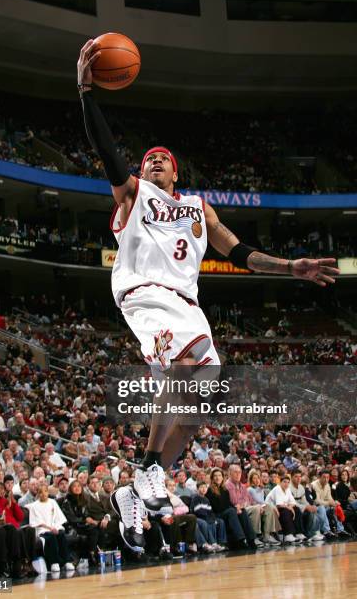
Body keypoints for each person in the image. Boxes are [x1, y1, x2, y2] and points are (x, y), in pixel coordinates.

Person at [76, 39, 340, 551]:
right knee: (190, 358)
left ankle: (135, 491)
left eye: (162, 160)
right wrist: (88, 94)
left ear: (176, 172)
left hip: (187, 302)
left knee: (206, 395)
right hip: (143, 291)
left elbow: (241, 254)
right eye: (147, 159)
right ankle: (151, 468)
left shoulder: (200, 209)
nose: (153, 163)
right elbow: (106, 150)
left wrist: (292, 267)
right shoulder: (133, 194)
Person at [28, 484, 74, 573]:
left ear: (48, 492)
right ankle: (54, 562)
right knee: (50, 537)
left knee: (61, 535)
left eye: (45, 491)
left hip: (54, 527)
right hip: (43, 530)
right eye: (40, 492)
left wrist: (55, 527)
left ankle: (67, 561)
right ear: (38, 494)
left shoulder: (52, 502)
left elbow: (58, 517)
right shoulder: (34, 506)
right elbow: (35, 522)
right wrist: (49, 528)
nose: (43, 494)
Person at [206, 468, 253, 548]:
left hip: (225, 512)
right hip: (216, 514)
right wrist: (233, 509)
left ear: (222, 477)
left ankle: (251, 539)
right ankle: (240, 539)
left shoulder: (224, 489)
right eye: (215, 476)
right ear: (212, 478)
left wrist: (237, 508)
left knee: (242, 511)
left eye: (219, 475)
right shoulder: (210, 490)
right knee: (231, 511)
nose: (217, 478)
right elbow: (217, 508)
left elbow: (228, 503)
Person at [265, 475, 304, 543]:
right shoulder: (277, 489)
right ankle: (288, 535)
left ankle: (298, 533)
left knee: (297, 509)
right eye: (284, 482)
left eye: (288, 482)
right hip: (271, 508)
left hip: (282, 507)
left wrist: (291, 507)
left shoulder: (288, 489)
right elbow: (279, 504)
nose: (286, 484)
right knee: (286, 511)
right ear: (280, 482)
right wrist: (290, 508)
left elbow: (293, 502)